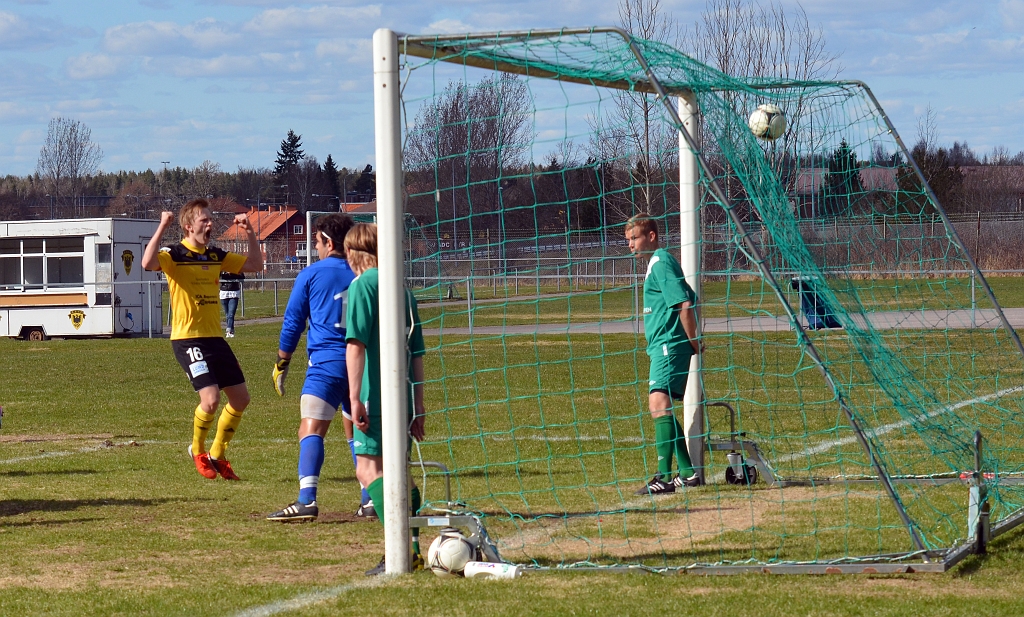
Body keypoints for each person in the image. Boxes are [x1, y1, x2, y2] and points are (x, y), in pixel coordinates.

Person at [141, 199, 263, 481]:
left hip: (215, 338)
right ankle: (197, 450)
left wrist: (250, 232)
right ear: (188, 226)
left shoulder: (215, 255)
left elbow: (256, 264)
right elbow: (147, 263)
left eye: (210, 219)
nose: (210, 224)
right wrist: (162, 225)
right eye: (204, 220)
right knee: (210, 399)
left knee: (241, 399)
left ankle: (217, 454)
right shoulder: (174, 253)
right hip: (187, 339)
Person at [266, 213, 372, 522]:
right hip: (362, 365)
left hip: (326, 364)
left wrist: (282, 362)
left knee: (311, 428)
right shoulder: (363, 272)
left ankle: (306, 500)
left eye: (316, 241)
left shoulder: (311, 274)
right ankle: (369, 500)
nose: (316, 247)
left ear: (327, 241)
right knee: (356, 431)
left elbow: (293, 323)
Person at [344, 223, 427, 576]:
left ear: (354, 253)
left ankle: (402, 550)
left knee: (368, 469)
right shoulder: (403, 291)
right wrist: (419, 404)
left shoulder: (363, 285)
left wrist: (354, 397)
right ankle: (414, 549)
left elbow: (355, 345)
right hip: (404, 393)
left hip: (376, 395)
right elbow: (419, 352)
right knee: (400, 473)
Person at [625, 214, 702, 495]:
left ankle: (663, 477)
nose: (630, 245)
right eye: (628, 240)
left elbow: (684, 302)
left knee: (658, 403)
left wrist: (694, 340)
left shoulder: (660, 261)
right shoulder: (655, 264)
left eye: (634, 238)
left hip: (669, 345)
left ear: (652, 236)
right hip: (664, 345)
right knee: (663, 406)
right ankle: (688, 473)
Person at [220, 271, 244, 337]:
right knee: (227, 314)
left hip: (234, 292)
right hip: (224, 293)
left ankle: (228, 331)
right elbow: (218, 276)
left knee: (231, 314)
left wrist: (233, 273)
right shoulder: (222, 269)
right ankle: (231, 331)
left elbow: (242, 277)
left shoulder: (235, 268)